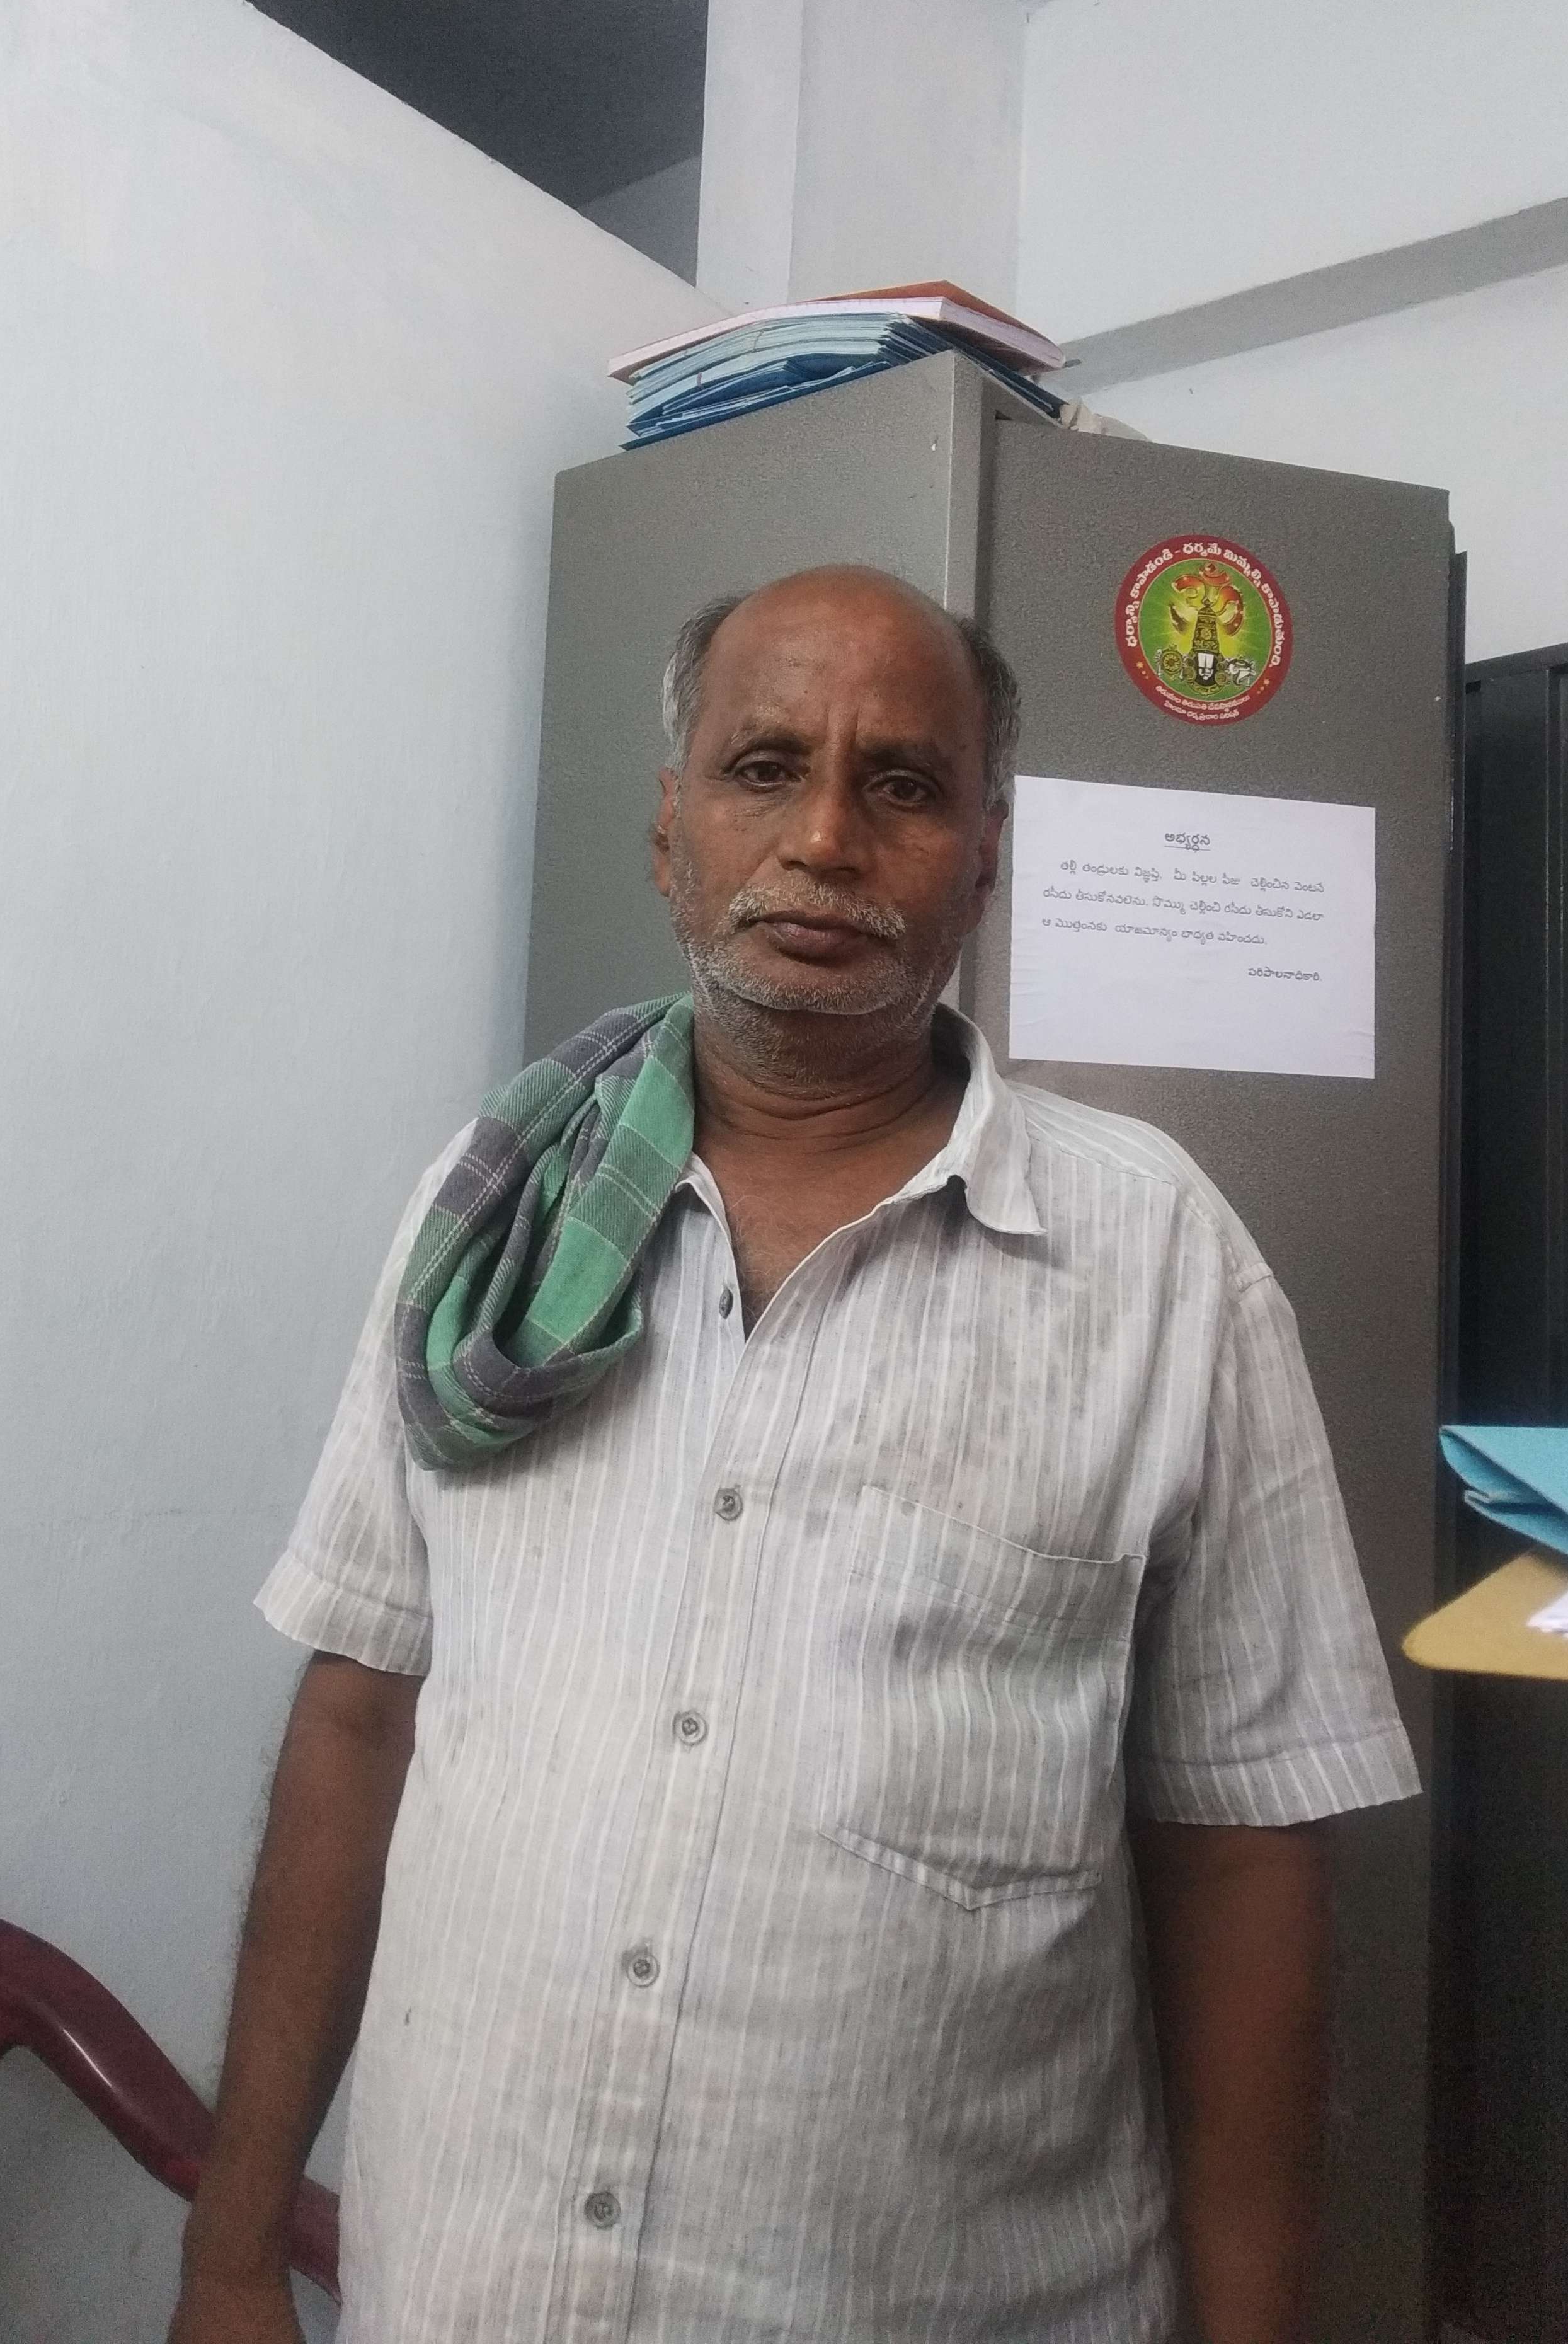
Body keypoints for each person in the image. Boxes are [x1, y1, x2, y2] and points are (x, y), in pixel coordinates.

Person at [169, 565, 1418, 2344]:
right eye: (764, 768)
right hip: (465, 2290)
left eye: (902, 784)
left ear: (985, 860)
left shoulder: (1162, 1266)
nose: (826, 837)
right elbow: (359, 1717)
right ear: (669, 832)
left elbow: (1242, 1859)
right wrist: (231, 2256)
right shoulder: (492, 1229)